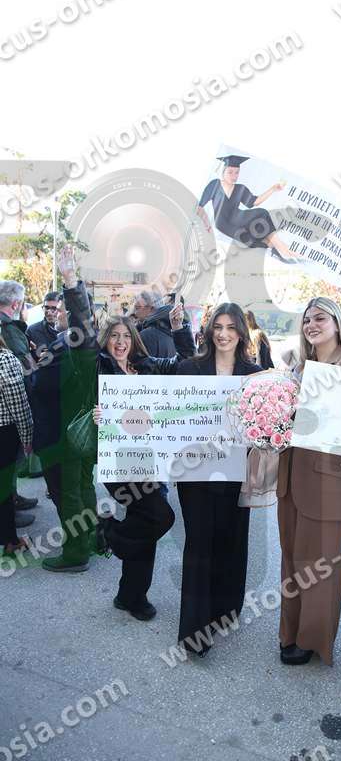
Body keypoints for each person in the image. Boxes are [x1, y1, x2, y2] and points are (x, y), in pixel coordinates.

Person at [59, 246, 195, 619]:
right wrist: (71, 283)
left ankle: (131, 595)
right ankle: (106, 532)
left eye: (126, 336)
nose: (120, 341)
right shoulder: (96, 366)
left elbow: (187, 365)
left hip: (152, 461)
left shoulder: (147, 366)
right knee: (159, 518)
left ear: (134, 339)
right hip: (119, 463)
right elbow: (81, 334)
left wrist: (181, 329)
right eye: (114, 336)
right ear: (106, 341)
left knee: (144, 524)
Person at [277, 297, 341, 666]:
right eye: (307, 320)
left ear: (337, 324)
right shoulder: (297, 369)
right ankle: (289, 632)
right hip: (290, 478)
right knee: (292, 563)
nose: (311, 325)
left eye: (320, 318)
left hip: (327, 483)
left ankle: (312, 639)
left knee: (320, 568)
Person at [176, 303, 262, 656]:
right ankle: (194, 631)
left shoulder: (255, 375)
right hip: (195, 472)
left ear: (241, 332)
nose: (223, 334)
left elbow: (265, 427)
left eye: (230, 327)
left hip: (236, 472)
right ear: (209, 331)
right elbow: (168, 413)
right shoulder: (188, 369)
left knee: (231, 540)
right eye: (218, 327)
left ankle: (225, 609)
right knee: (199, 544)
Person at [31, 293, 98, 572]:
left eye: (59, 310)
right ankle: (91, 538)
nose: (54, 314)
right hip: (84, 429)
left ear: (71, 316)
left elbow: (41, 385)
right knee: (84, 486)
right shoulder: (88, 342)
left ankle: (75, 552)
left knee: (68, 493)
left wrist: (37, 364)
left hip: (64, 433)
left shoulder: (64, 344)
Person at [197, 155, 296, 264]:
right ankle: (282, 250)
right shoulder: (215, 184)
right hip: (223, 223)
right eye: (230, 172)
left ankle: (282, 250)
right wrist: (207, 224)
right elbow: (200, 207)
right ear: (223, 171)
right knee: (250, 239)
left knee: (262, 214)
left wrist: (273, 189)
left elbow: (255, 202)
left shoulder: (240, 188)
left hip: (238, 217)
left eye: (237, 172)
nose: (234, 176)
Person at [0, 280, 38, 521]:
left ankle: (12, 498)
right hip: (8, 411)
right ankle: (9, 511)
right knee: (8, 463)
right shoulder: (8, 328)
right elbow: (22, 369)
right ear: (16, 304)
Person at [0, 334, 33, 555]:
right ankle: (10, 541)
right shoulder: (5, 359)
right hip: (4, 431)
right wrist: (27, 436)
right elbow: (18, 402)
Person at [134, 290, 191, 359]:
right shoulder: (179, 337)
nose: (135, 312)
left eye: (137, 307)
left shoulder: (147, 335)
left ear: (151, 308)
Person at [27, 291, 60, 356]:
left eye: (54, 308)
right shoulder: (32, 331)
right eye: (46, 308)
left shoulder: (69, 331)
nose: (49, 312)